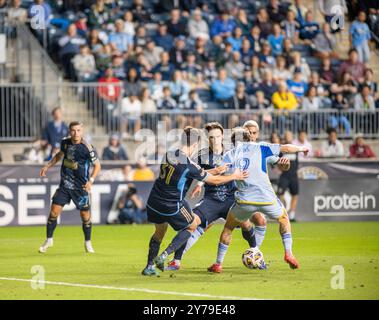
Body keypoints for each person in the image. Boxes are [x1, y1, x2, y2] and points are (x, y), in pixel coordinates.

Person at [142, 127, 248, 276]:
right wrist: (234, 176)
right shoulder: (188, 164)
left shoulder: (169, 154)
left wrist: (214, 171)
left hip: (154, 202)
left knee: (159, 233)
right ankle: (164, 256)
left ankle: (149, 266)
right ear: (195, 145)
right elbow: (213, 180)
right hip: (172, 204)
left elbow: (191, 173)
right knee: (192, 225)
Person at [207, 127, 309, 271]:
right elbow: (285, 148)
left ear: (233, 141)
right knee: (284, 218)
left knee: (228, 227)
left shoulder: (230, 154)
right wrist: (301, 148)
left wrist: (201, 180)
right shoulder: (262, 147)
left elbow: (218, 172)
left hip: (244, 201)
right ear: (249, 137)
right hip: (266, 198)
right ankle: (288, 253)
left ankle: (218, 264)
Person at [166, 123, 259, 271]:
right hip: (212, 199)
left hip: (231, 198)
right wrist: (199, 184)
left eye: (217, 137)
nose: (215, 140)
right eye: (211, 138)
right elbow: (198, 172)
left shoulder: (233, 152)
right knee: (191, 223)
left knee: (246, 224)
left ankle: (257, 253)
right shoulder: (201, 156)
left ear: (222, 136)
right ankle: (176, 261)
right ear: (207, 139)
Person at [38, 122, 101, 254]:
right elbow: (59, 155)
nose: (76, 133)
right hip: (65, 185)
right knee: (54, 212)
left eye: (78, 130)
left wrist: (91, 181)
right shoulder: (65, 143)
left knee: (85, 216)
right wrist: (47, 166)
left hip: (81, 187)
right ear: (69, 131)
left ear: (82, 131)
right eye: (73, 130)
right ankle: (49, 240)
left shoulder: (87, 148)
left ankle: (88, 242)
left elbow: (97, 166)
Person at [277, 131, 300, 222]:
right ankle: (283, 213)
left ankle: (292, 215)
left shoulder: (295, 149)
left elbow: (297, 162)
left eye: (290, 135)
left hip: (294, 176)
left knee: (295, 194)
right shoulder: (282, 149)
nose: (288, 137)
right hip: (284, 176)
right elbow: (278, 163)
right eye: (287, 136)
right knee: (280, 194)